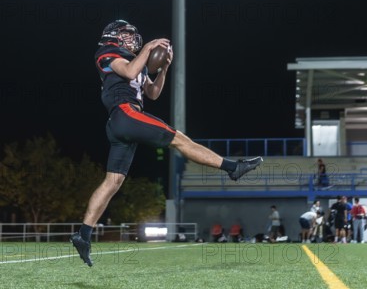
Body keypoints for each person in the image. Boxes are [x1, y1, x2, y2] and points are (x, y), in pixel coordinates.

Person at [70, 20, 263, 266]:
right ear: (113, 35)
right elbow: (128, 72)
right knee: (179, 139)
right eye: (127, 35)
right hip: (125, 113)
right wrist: (149, 47)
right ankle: (233, 168)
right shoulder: (107, 53)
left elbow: (152, 93)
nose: (132, 39)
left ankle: (83, 235)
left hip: (124, 121)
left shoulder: (133, 60)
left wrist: (164, 69)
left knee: (113, 181)